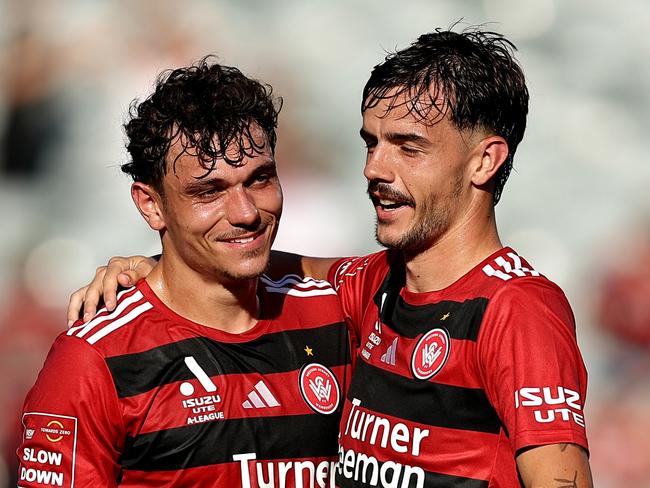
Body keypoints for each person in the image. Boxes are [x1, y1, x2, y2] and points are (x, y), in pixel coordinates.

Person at [68, 28, 593, 487]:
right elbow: (277, 263)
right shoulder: (375, 285)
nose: (375, 169)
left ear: (484, 161)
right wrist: (160, 268)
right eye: (372, 143)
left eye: (408, 147)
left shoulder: (517, 308)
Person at [18, 58, 351, 487]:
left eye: (260, 179)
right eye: (208, 192)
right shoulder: (94, 360)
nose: (246, 213)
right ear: (151, 205)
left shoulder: (335, 311)